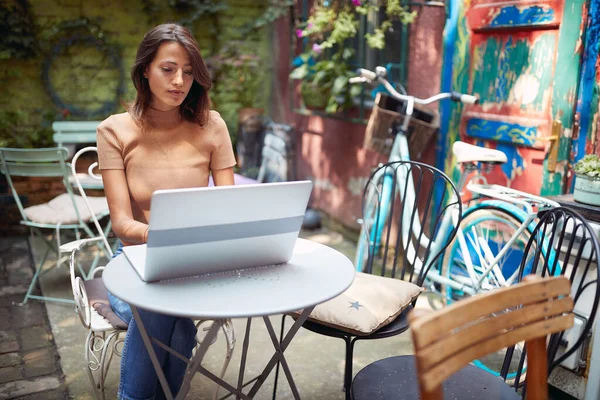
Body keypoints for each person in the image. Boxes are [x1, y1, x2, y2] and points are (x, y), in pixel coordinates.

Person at [97, 23, 236, 400]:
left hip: (193, 262)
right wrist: (159, 236)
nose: (179, 81)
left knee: (164, 316)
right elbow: (122, 224)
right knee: (171, 322)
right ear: (145, 69)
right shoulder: (114, 130)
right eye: (168, 69)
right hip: (135, 259)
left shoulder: (212, 125)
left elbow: (230, 207)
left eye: (189, 72)